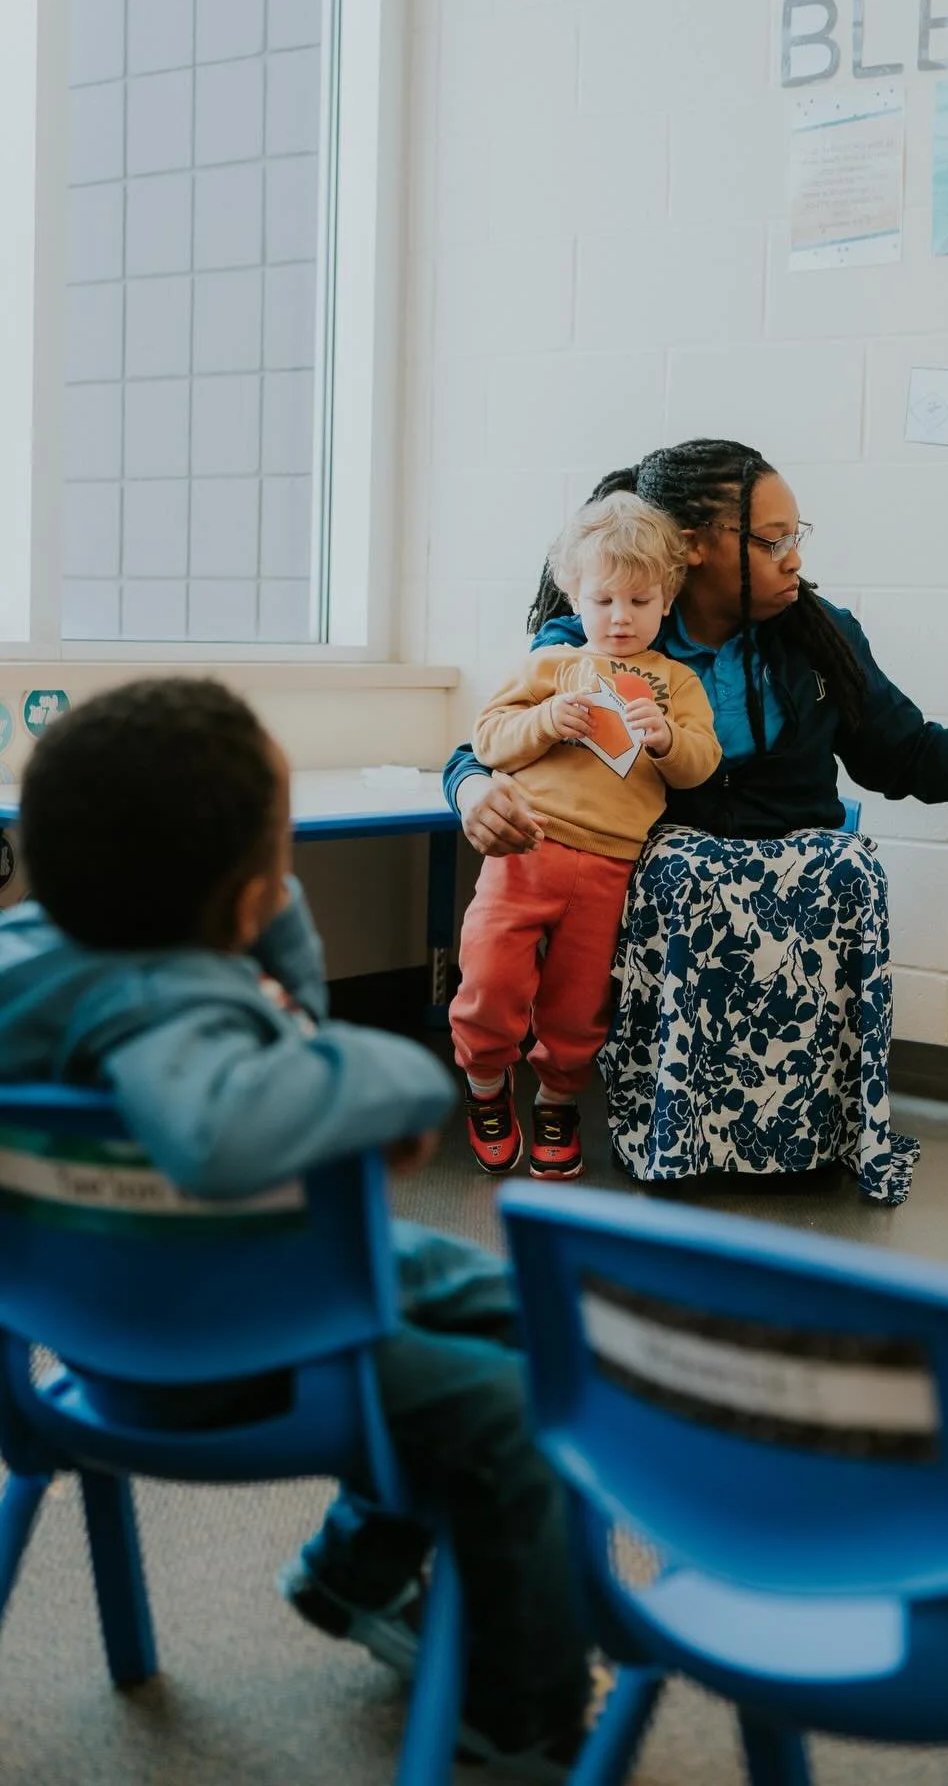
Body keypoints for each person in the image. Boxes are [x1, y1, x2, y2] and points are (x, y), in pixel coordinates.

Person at [0, 679, 589, 1778]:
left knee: (502, 1301)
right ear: (241, 901)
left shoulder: (25, 961)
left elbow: (280, 1041)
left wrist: (265, 936)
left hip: (89, 1325)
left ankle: (352, 1571)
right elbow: (221, 1132)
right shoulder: (171, 1001)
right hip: (223, 1353)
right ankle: (524, 1718)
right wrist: (398, 1078)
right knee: (515, 1401)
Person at [446, 438, 948, 1206]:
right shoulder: (610, 627)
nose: (792, 558)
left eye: (795, 538)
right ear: (695, 546)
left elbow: (905, 751)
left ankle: (811, 1130)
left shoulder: (819, 635)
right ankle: (665, 1125)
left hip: (794, 862)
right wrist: (473, 791)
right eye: (770, 540)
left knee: (846, 865)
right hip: (660, 869)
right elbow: (486, 740)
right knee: (680, 867)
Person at [454, 492, 720, 1179]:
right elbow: (489, 740)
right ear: (575, 597)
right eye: (604, 600)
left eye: (639, 601)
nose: (621, 617)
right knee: (489, 979)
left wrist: (666, 741)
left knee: (578, 1005)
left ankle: (558, 1102)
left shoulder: (676, 683)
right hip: (525, 851)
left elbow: (700, 765)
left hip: (609, 868)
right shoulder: (548, 667)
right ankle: (486, 1086)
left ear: (668, 601)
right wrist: (545, 721)